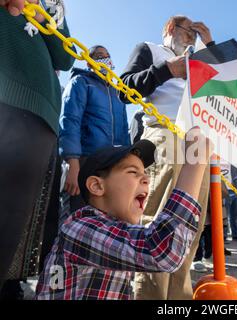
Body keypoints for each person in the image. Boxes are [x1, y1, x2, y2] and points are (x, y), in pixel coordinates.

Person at [36, 128, 213, 300]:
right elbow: (164, 251)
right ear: (97, 186)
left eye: (145, 174)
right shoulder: (80, 228)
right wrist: (194, 165)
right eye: (133, 172)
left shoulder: (117, 229)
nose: (146, 179)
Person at [119, 16, 215, 299]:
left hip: (197, 142)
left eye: (198, 36)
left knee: (190, 224)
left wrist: (211, 45)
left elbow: (226, 89)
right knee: (159, 217)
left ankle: (178, 297)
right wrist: (168, 71)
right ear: (171, 29)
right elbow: (125, 88)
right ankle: (149, 295)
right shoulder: (149, 49)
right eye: (190, 32)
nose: (193, 39)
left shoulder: (199, 61)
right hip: (164, 132)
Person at [0, 0, 74, 295]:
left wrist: (49, 11)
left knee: (15, 228)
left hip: (41, 117)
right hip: (8, 101)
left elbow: (65, 58)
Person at [59, 45, 130, 220]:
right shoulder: (81, 83)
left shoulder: (117, 94)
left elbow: (125, 134)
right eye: (98, 55)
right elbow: (70, 120)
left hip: (112, 166)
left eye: (107, 55)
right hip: (86, 161)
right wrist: (72, 163)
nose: (104, 58)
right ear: (89, 62)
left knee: (107, 220)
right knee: (78, 217)